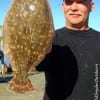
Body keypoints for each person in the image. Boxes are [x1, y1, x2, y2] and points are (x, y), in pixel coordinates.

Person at [36, 0, 100, 100]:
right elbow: (37, 64)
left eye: (80, 2)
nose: (74, 8)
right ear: (63, 7)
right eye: (69, 2)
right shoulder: (50, 39)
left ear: (91, 6)